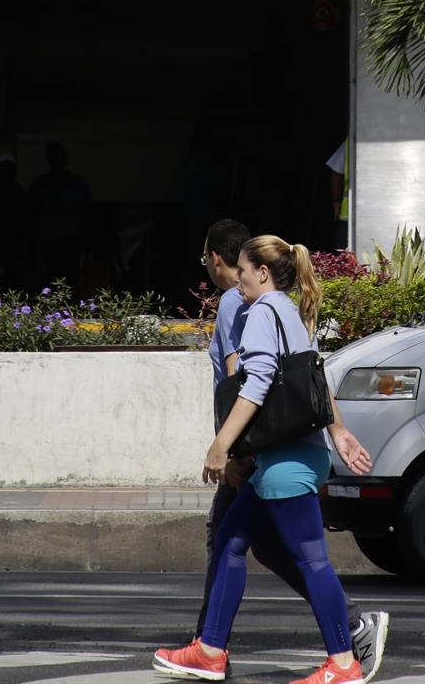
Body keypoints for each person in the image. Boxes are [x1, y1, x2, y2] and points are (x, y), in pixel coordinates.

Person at [154, 236, 379, 684]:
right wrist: (337, 431)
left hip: (284, 465)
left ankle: (343, 662)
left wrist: (221, 444)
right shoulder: (289, 312)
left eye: (242, 270)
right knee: (231, 541)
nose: (236, 279)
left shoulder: (260, 312)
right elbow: (315, 378)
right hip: (293, 456)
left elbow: (256, 383)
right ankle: (210, 651)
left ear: (262, 272)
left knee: (312, 562)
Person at [29, 140, 94, 288]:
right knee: (64, 275)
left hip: (59, 237)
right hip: (63, 237)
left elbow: (33, 213)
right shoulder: (74, 183)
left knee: (58, 275)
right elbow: (86, 211)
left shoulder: (41, 184)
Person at [324, 141, 350, 250]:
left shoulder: (351, 140)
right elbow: (336, 172)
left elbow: (336, 172)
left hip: (347, 214)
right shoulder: (351, 140)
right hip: (347, 215)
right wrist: (336, 202)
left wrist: (336, 202)